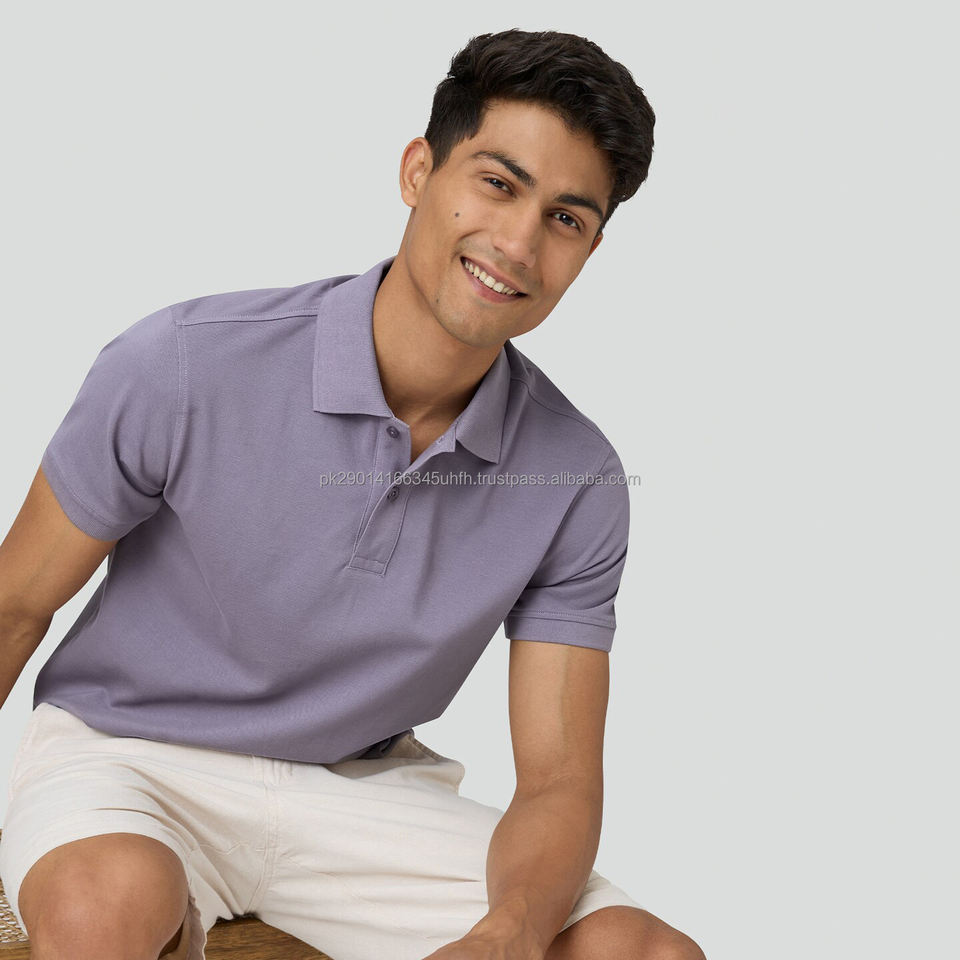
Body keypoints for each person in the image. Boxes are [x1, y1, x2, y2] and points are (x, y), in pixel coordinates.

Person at [0, 28, 705, 960]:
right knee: (104, 909)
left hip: (359, 791)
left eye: (566, 219)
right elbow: (14, 605)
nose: (518, 243)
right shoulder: (184, 363)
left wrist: (507, 935)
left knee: (643, 952)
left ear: (591, 249)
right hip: (128, 756)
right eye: (498, 184)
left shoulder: (575, 477)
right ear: (418, 171)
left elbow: (559, 781)